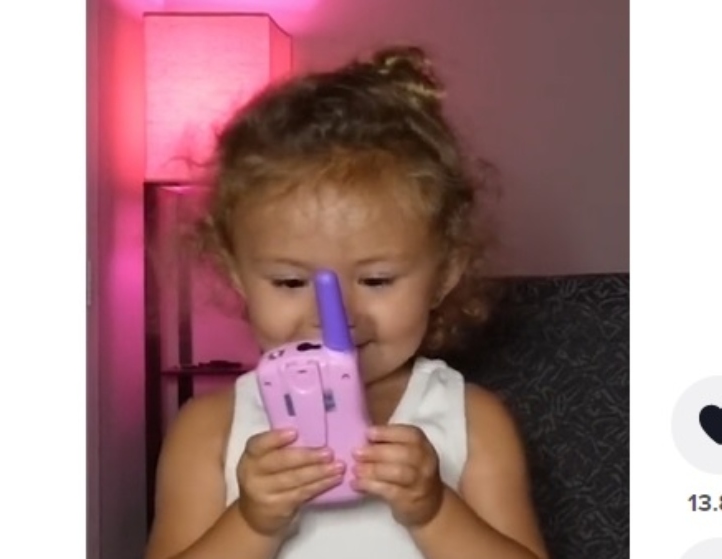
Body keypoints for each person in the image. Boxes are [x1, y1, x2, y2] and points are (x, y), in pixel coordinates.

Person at [145, 45, 548, 559]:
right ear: (237, 275)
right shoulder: (210, 431)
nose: (333, 317)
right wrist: (250, 522)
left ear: (445, 273)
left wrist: (436, 512)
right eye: (291, 282)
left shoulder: (473, 421)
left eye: (376, 280)